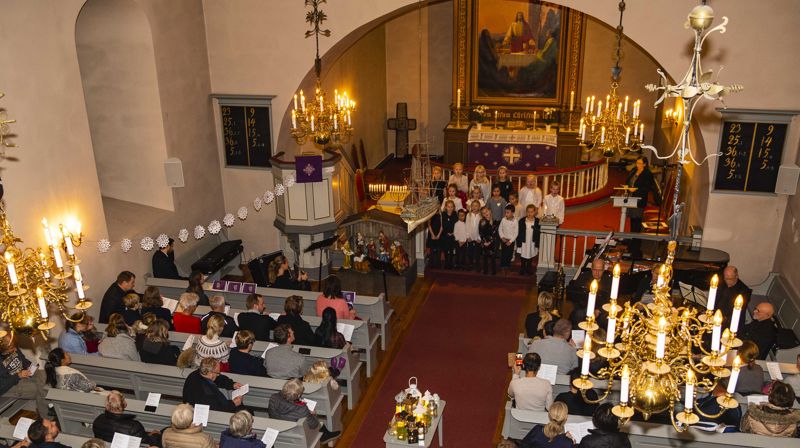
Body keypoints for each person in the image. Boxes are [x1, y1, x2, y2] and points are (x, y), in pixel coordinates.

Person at [267, 378, 341, 444]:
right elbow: (314, 425)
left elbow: (271, 414)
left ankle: (325, 434)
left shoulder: (273, 398)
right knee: (318, 423)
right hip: (297, 434)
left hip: (279, 429)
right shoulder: (301, 409)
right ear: (298, 395)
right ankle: (324, 436)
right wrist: (314, 414)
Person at [0, 333, 49, 417]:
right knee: (37, 389)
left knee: (45, 374)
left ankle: (48, 404)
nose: (15, 349)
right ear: (3, 350)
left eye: (15, 345)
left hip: (23, 373)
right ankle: (46, 417)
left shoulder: (14, 347)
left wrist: (31, 367)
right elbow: (2, 386)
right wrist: (18, 376)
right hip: (9, 386)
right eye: (12, 348)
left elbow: (23, 360)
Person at [92, 390, 160, 446]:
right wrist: (155, 434)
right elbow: (147, 441)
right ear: (124, 404)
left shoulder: (98, 420)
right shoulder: (134, 426)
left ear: (107, 404)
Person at [625, 156, 660, 233]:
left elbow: (648, 188)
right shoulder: (634, 170)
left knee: (637, 220)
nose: (638, 165)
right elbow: (628, 180)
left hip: (639, 199)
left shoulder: (647, 174)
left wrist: (636, 190)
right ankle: (632, 237)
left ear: (644, 164)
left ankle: (636, 240)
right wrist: (627, 187)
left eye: (640, 163)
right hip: (631, 197)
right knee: (632, 219)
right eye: (637, 163)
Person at [517, 204, 541, 277]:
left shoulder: (537, 221)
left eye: (531, 212)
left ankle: (529, 267)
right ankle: (523, 267)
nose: (529, 213)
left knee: (530, 253)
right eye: (528, 212)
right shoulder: (522, 221)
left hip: (532, 240)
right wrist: (519, 241)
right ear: (526, 212)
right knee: (523, 253)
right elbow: (519, 231)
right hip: (524, 240)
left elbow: (539, 231)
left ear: (535, 212)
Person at [498, 204, 518, 274]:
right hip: (504, 240)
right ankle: (502, 267)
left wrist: (511, 241)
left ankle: (507, 266)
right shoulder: (503, 219)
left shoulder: (515, 221)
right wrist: (502, 237)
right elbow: (500, 229)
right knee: (503, 254)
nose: (506, 214)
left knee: (509, 255)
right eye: (505, 212)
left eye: (508, 212)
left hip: (510, 241)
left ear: (512, 213)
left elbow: (516, 233)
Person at [479, 206, 497, 275]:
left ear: (490, 211)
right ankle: (485, 270)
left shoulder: (494, 221)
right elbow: (481, 233)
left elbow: (494, 233)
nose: (486, 214)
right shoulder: (482, 222)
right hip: (485, 242)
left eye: (486, 211)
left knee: (493, 257)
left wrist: (490, 241)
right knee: (485, 257)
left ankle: (493, 271)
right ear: (482, 215)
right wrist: (485, 242)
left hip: (492, 242)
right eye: (483, 213)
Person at [441, 199, 458, 269]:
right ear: (445, 207)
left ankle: (451, 263)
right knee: (446, 249)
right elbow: (442, 225)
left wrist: (453, 233)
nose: (450, 208)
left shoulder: (455, 215)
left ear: (453, 207)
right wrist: (446, 232)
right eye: (448, 207)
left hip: (453, 235)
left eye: (451, 207)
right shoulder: (443, 215)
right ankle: (446, 262)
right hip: (445, 235)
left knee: (451, 250)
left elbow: (457, 225)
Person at [466, 200, 483, 271]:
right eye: (472, 206)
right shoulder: (468, 215)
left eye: (476, 206)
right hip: (470, 237)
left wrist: (479, 237)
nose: (474, 207)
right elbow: (466, 226)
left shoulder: (481, 215)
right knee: (470, 251)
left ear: (479, 207)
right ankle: (470, 264)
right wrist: (468, 236)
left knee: (477, 252)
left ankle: (477, 264)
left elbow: (482, 228)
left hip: (477, 237)